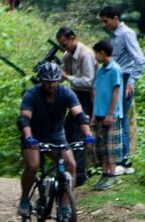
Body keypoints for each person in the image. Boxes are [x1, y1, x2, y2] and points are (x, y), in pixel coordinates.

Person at [17, 62, 95, 216]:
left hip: (56, 136)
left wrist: (88, 135)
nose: (51, 85)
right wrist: (29, 137)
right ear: (41, 81)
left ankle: (65, 206)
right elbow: (24, 119)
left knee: (71, 165)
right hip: (33, 136)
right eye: (48, 82)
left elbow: (79, 115)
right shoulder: (31, 94)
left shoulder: (66, 93)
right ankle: (25, 198)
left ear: (59, 80)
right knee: (33, 165)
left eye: (54, 81)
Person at [99, 6, 145, 174]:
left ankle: (124, 160)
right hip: (118, 78)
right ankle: (123, 160)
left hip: (125, 79)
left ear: (115, 18)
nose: (104, 25)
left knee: (120, 118)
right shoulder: (115, 35)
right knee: (121, 117)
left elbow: (140, 59)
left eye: (106, 21)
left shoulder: (126, 33)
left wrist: (131, 82)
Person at [57, 27, 96, 187]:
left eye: (65, 44)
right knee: (65, 132)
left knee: (78, 136)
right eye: (62, 46)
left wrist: (68, 77)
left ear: (73, 38)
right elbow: (62, 75)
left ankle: (79, 175)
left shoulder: (86, 55)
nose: (64, 48)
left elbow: (89, 81)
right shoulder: (67, 56)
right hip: (74, 96)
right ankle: (65, 170)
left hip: (87, 97)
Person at [91, 39, 124, 190]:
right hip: (99, 113)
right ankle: (105, 174)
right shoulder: (100, 70)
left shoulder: (115, 69)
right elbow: (96, 92)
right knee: (102, 147)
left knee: (111, 147)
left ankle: (112, 175)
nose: (95, 56)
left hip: (111, 115)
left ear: (103, 53)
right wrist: (94, 114)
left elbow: (116, 92)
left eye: (96, 53)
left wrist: (110, 114)